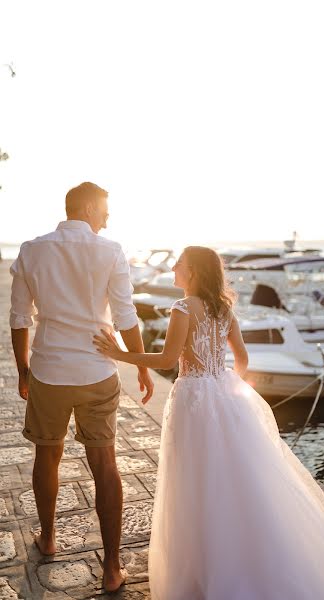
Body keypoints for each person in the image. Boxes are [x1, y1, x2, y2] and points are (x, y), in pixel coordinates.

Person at [94, 246, 324, 599]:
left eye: (179, 263)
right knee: (233, 478)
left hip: (193, 400)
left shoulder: (183, 308)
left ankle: (205, 571)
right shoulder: (224, 310)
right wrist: (227, 387)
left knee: (195, 482)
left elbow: (165, 357)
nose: (174, 267)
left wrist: (118, 353)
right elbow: (241, 357)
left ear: (192, 271)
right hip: (222, 395)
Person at [10, 182, 153, 593]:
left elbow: (20, 317)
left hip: (50, 370)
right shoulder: (109, 251)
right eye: (105, 210)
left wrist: (23, 370)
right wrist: (142, 365)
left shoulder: (32, 249)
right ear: (88, 208)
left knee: (47, 454)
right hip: (95, 372)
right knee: (105, 463)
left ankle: (49, 537)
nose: (108, 218)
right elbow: (125, 315)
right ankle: (111, 568)